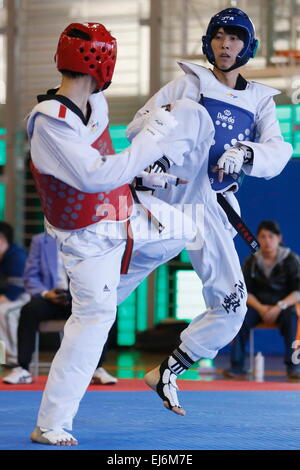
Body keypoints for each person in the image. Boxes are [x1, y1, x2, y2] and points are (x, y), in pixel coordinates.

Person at [27, 23, 196, 445]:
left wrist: (142, 176)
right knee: (93, 322)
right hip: (86, 241)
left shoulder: (94, 104)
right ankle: (50, 424)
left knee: (184, 229)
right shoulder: (50, 123)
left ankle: (108, 290)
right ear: (105, 62)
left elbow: (112, 161)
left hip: (121, 214)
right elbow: (96, 176)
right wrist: (154, 139)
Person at [118, 7, 293, 415]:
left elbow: (279, 151)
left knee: (233, 305)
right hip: (168, 200)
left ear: (248, 46)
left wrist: (246, 151)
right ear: (208, 42)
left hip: (212, 208)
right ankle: (85, 323)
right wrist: (162, 151)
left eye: (234, 38)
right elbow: (137, 126)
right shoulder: (188, 84)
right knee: (110, 289)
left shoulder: (260, 99)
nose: (225, 44)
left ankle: (167, 371)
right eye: (218, 36)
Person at [3, 232, 117, 385]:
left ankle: (97, 368)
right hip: (51, 297)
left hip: (81, 297)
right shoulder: (40, 241)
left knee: (105, 309)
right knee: (29, 310)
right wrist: (45, 293)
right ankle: (22, 368)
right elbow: (30, 277)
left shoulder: (91, 237)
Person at [224, 221, 300, 381]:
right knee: (240, 316)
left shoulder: (291, 260)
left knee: (293, 317)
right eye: (263, 237)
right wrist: (261, 308)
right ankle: (236, 367)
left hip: (283, 308)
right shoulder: (251, 262)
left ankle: (294, 367)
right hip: (257, 308)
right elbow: (244, 291)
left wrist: (280, 306)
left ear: (279, 238)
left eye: (271, 236)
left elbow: (298, 292)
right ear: (258, 238)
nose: (267, 240)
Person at [0, 222, 29, 365]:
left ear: (2, 240)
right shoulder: (3, 256)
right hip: (12, 297)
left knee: (4, 312)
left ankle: (15, 358)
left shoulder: (16, 256)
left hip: (28, 297)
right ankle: (4, 356)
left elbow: (12, 293)